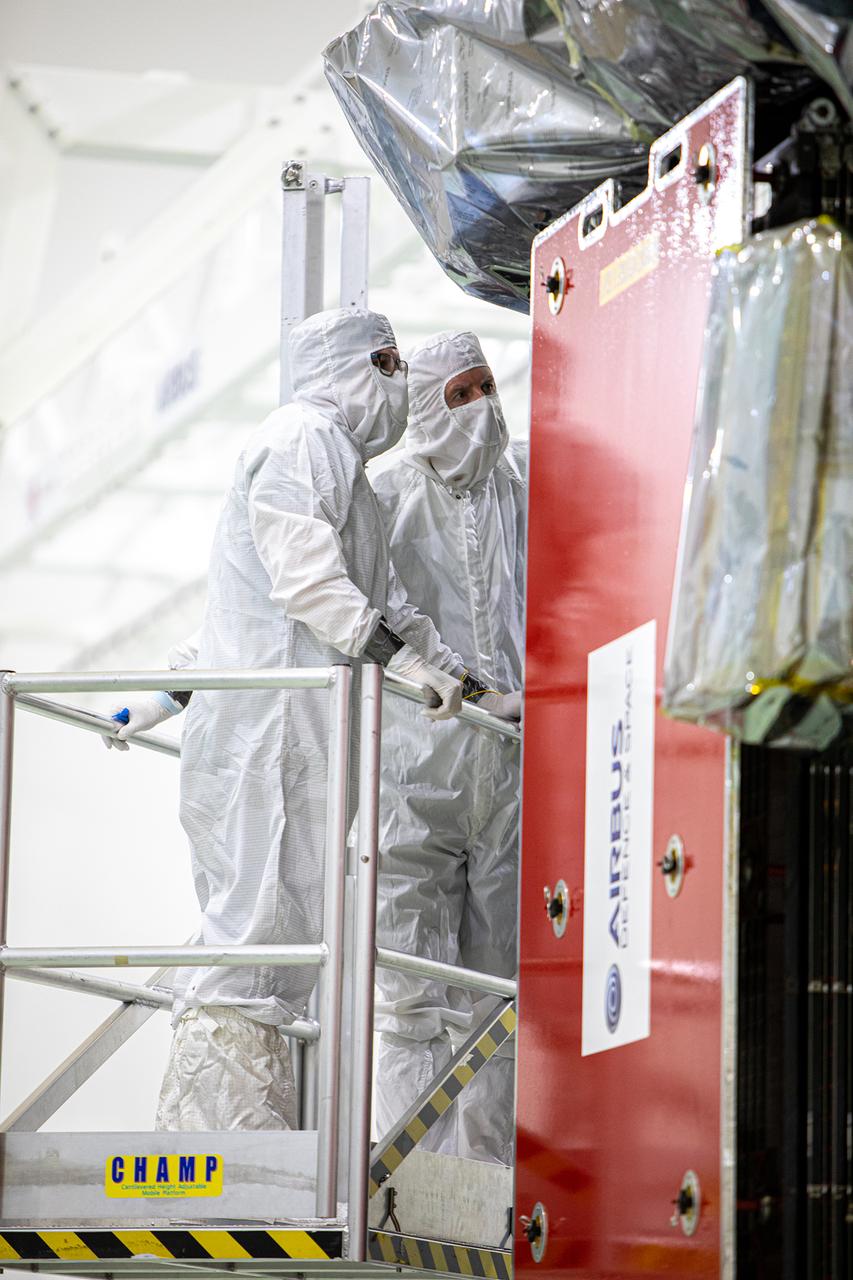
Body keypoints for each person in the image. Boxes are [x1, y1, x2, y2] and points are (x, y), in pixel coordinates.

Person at [106, 307, 502, 1131]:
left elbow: (382, 599)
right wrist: (395, 658)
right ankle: (215, 1145)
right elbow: (308, 583)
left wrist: (464, 678)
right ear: (347, 367)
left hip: (305, 736)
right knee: (258, 937)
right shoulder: (302, 439)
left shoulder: (346, 469)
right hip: (270, 734)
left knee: (284, 938)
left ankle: (248, 1132)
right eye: (388, 364)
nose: (400, 382)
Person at [370, 330, 526, 1165]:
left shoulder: (527, 483)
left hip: (507, 769)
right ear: (424, 407)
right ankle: (410, 1190)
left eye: (487, 387)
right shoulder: (383, 497)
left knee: (500, 999)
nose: (480, 407)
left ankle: (490, 1191)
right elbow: (326, 596)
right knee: (408, 1001)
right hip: (411, 774)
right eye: (459, 395)